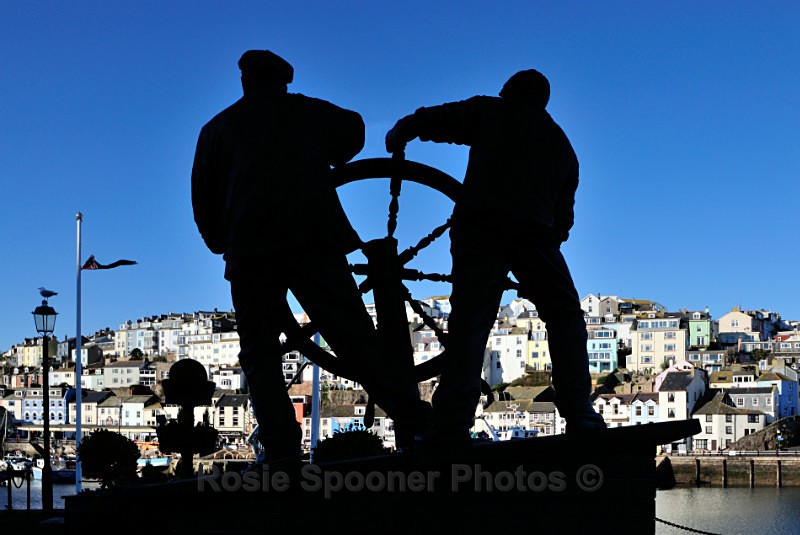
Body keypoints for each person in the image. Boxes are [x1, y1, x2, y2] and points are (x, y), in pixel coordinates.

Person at [192, 50, 431, 461]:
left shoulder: (216, 129)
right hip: (313, 240)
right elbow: (354, 129)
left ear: (245, 81)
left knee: (259, 350)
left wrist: (222, 241)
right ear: (283, 81)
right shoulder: (307, 112)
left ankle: (281, 444)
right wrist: (329, 155)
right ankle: (416, 420)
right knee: (353, 337)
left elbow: (203, 197)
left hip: (249, 251)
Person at [385, 69, 606, 444]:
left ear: (508, 92)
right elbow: (563, 221)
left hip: (481, 231)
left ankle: (452, 421)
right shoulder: (562, 146)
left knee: (471, 322)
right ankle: (579, 411)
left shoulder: (491, 112)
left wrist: (404, 129)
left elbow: (440, 120)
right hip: (536, 239)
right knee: (566, 316)